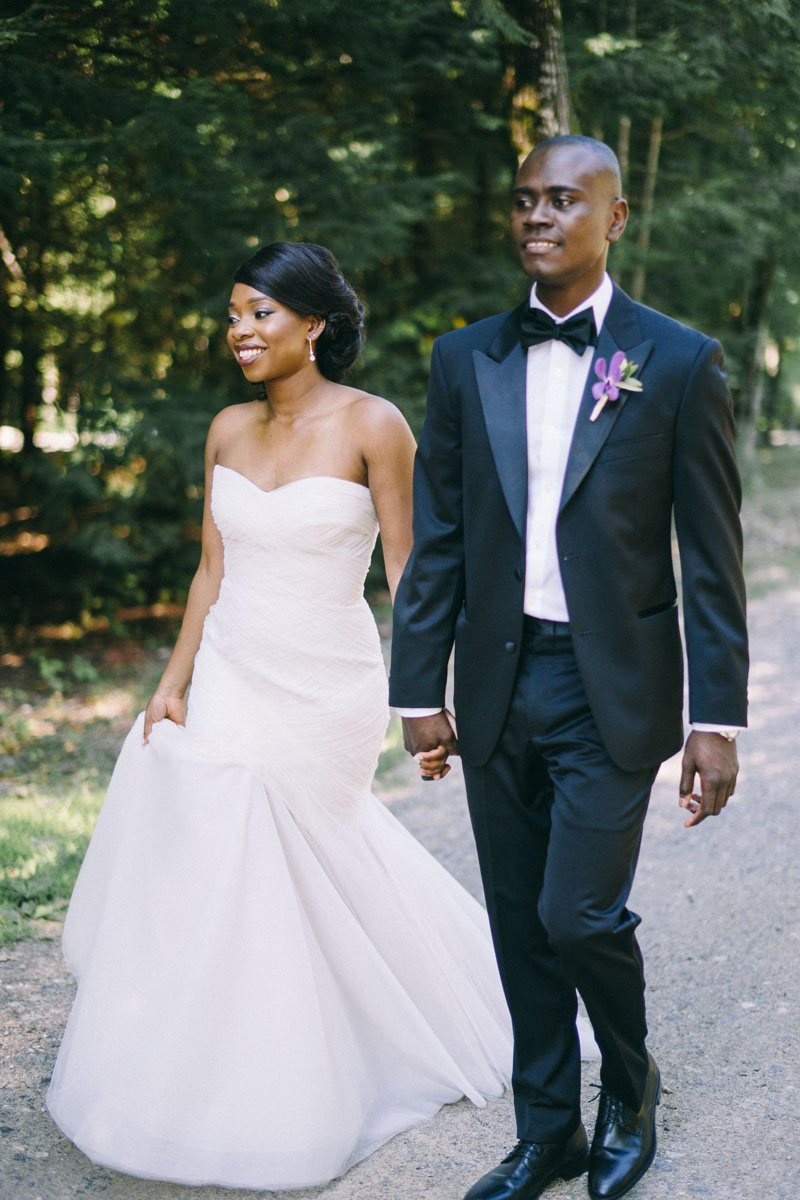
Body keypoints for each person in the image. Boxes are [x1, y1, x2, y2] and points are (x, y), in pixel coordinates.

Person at [46, 241, 525, 1190]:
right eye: (232, 315)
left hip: (325, 683)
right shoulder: (226, 429)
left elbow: (409, 572)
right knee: (218, 830)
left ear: (314, 324)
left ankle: (328, 1051)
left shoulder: (375, 425)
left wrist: (425, 697)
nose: (240, 332)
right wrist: (174, 679)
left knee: (290, 843)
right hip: (228, 668)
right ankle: (204, 1060)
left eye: (260, 313)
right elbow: (212, 569)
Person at [389, 136, 748, 1200]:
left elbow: (710, 559)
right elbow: (440, 536)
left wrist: (713, 720)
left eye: (561, 200)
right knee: (515, 920)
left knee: (574, 914)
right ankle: (544, 1132)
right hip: (497, 682)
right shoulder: (465, 359)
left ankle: (626, 1097)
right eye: (522, 202)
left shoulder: (676, 361)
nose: (536, 217)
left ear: (615, 217)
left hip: (611, 687)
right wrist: (419, 692)